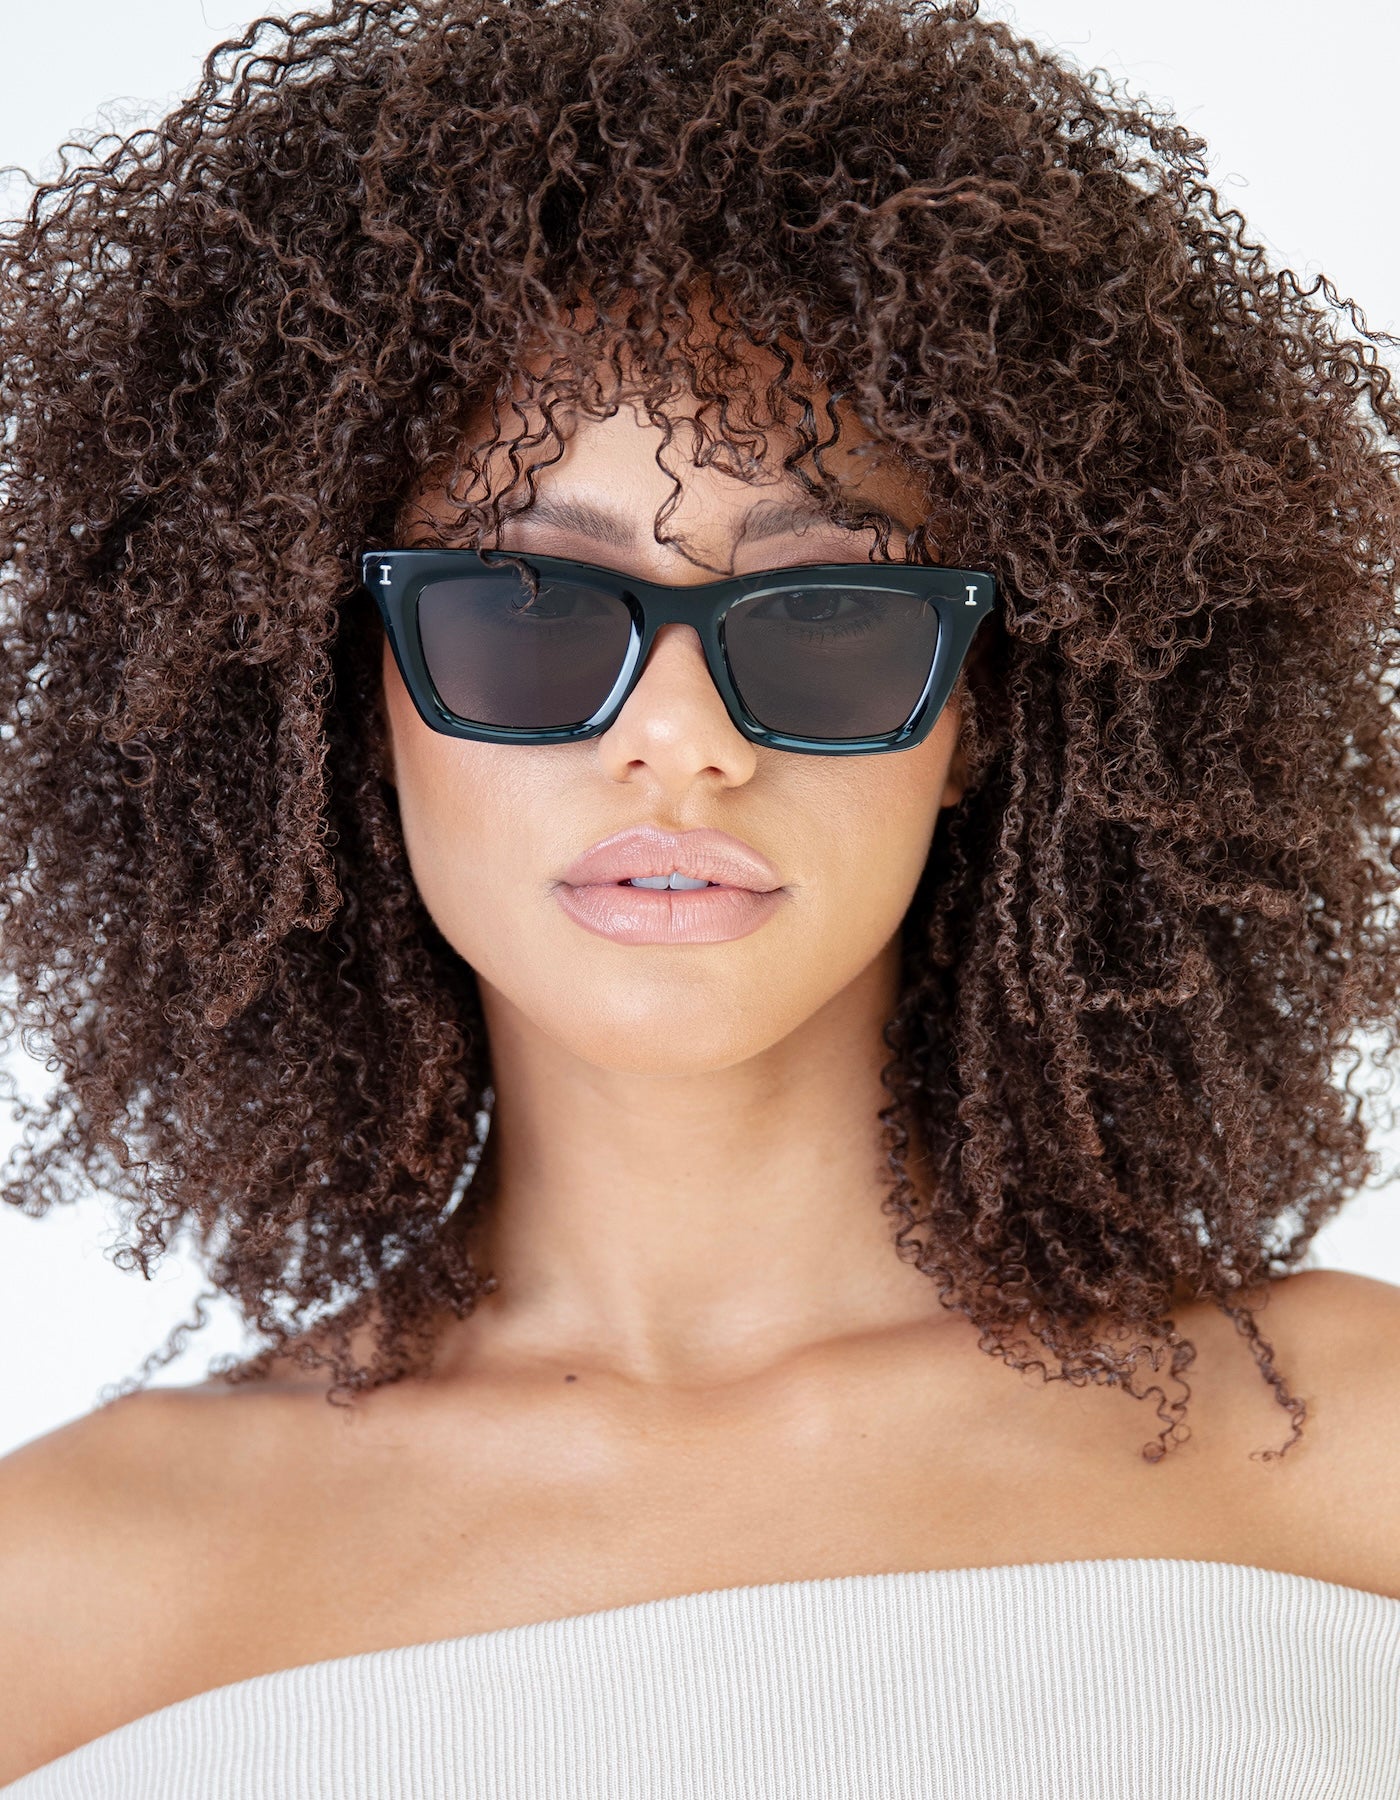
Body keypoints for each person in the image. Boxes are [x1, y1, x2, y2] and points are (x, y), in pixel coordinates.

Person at [1, 0, 1398, 1792]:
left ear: (981, 716)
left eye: (826, 617)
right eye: (524, 611)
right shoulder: (73, 1602)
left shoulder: (1352, 1457)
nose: (683, 742)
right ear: (342, 695)